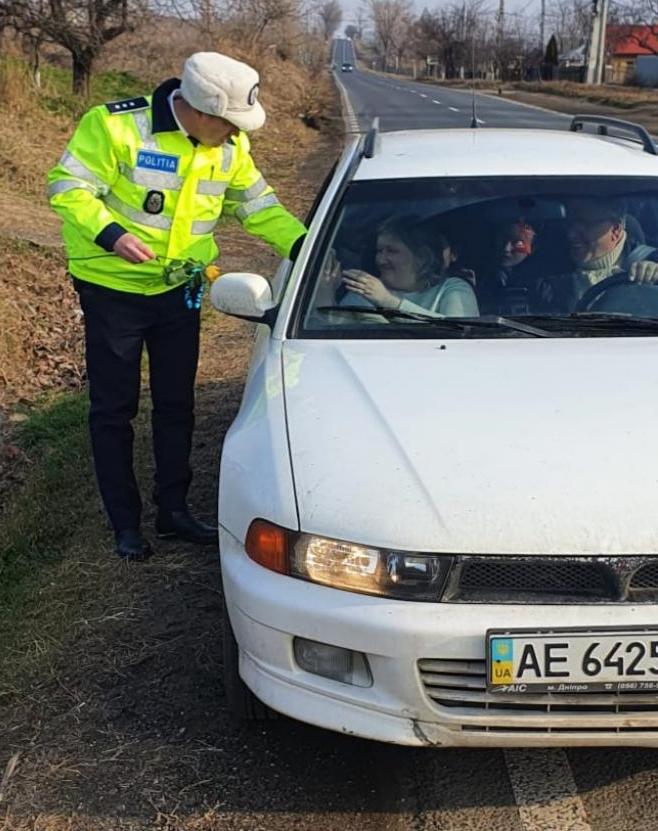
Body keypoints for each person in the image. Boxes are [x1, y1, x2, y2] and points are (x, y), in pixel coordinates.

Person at [48, 52, 306, 562]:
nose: (237, 136)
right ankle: (125, 523)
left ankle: (174, 512)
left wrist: (307, 249)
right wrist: (113, 235)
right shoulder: (116, 127)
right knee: (114, 408)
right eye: (231, 126)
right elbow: (68, 188)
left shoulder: (230, 150)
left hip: (177, 293)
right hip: (112, 291)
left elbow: (261, 209)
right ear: (204, 111)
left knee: (175, 404)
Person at [318, 215, 479, 319]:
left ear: (422, 257)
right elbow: (328, 336)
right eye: (379, 251)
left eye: (392, 251)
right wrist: (325, 294)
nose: (381, 259)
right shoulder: (365, 291)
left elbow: (461, 334)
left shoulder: (452, 288)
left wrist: (388, 302)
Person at [537, 196, 658, 312]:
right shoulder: (544, 271)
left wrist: (651, 275)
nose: (571, 234)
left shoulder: (652, 262)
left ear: (616, 228)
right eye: (569, 223)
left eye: (584, 224)